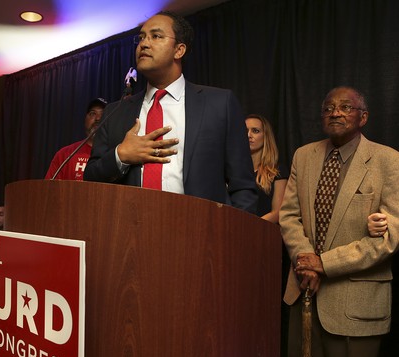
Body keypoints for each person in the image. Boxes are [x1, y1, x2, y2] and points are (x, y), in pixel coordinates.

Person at [279, 86, 399, 357]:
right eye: (329, 107)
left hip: (355, 303)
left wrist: (324, 264)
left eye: (346, 107)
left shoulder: (388, 161)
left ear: (364, 117)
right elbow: (289, 215)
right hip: (303, 292)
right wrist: (305, 261)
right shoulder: (304, 156)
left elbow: (388, 238)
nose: (335, 112)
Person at [84, 11, 257, 212]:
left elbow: (243, 187)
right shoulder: (116, 111)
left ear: (179, 50)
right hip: (130, 233)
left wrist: (231, 238)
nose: (144, 44)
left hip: (202, 233)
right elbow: (91, 177)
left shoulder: (219, 104)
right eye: (141, 38)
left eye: (156, 36)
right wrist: (120, 155)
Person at [45, 97, 107, 180]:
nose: (98, 118)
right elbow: (49, 189)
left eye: (102, 114)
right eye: (93, 113)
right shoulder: (65, 155)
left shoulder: (114, 156)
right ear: (85, 119)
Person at [246, 114, 288, 223]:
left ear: (266, 136)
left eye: (255, 131)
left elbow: (277, 212)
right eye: (244, 130)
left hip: (264, 233)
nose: (248, 135)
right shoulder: (232, 171)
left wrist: (249, 227)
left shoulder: (277, 171)